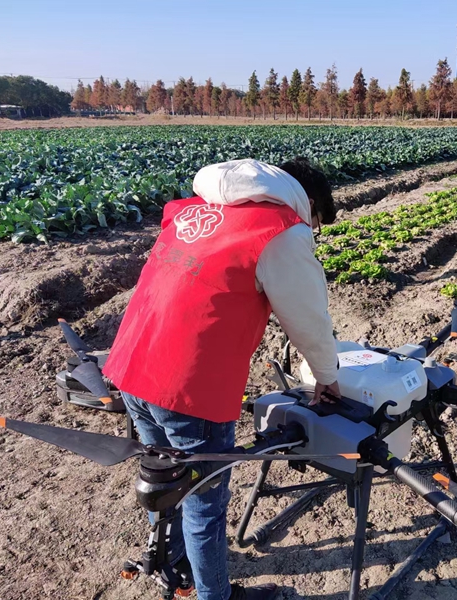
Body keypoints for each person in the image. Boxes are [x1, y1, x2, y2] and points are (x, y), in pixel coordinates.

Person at [102, 157, 342, 600]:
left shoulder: (197, 209)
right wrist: (326, 375)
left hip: (132, 362)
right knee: (203, 501)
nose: (313, 231)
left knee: (165, 476)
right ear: (307, 202)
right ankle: (216, 594)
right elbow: (307, 317)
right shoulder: (281, 228)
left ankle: (173, 560)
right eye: (317, 221)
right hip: (189, 385)